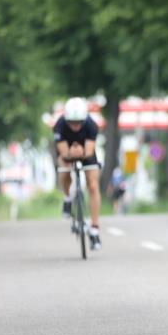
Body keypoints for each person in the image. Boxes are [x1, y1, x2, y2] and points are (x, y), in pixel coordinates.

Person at [53, 97, 102, 250]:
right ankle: (68, 198)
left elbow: (89, 151)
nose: (75, 126)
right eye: (71, 123)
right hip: (67, 152)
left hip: (86, 152)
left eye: (78, 122)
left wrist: (81, 153)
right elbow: (63, 152)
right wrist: (70, 154)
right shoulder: (59, 125)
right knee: (64, 169)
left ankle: (94, 230)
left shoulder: (91, 125)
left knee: (93, 185)